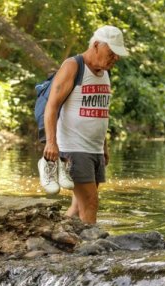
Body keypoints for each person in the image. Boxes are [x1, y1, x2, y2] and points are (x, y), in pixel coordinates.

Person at [38, 25, 128, 224]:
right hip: (74, 147)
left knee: (78, 206)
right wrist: (51, 143)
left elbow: (100, 113)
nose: (116, 58)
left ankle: (58, 236)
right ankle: (92, 250)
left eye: (117, 54)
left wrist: (103, 146)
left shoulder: (105, 73)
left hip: (94, 149)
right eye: (112, 52)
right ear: (96, 45)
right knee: (90, 202)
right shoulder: (73, 66)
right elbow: (51, 107)